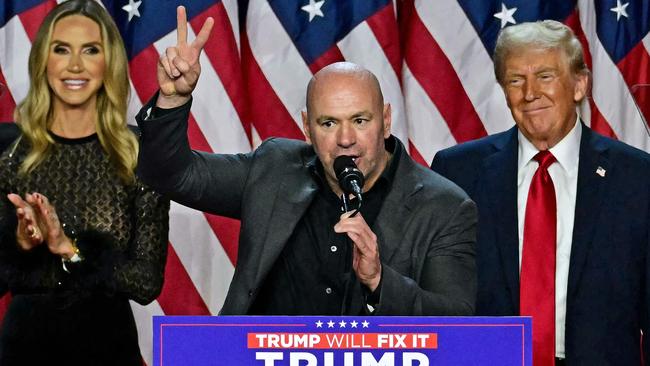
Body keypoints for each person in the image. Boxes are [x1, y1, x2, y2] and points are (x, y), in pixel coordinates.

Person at [136, 6, 477, 316]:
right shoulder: (274, 168)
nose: (345, 138)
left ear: (386, 120)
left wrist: (379, 281)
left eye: (360, 120)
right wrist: (174, 98)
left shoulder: (443, 206)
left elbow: (457, 323)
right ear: (307, 128)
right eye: (329, 123)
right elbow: (172, 176)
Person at [431, 20, 649, 365]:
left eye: (545, 76)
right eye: (516, 80)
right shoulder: (458, 172)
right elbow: (436, 300)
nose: (530, 93)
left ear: (579, 84)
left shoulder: (637, 177)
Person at [0, 1, 169, 365]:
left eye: (90, 50)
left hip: (108, 346)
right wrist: (21, 244)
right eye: (61, 49)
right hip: (25, 349)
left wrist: (70, 250)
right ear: (44, 61)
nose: (75, 65)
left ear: (108, 63)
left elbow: (146, 283)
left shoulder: (138, 155)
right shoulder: (8, 153)